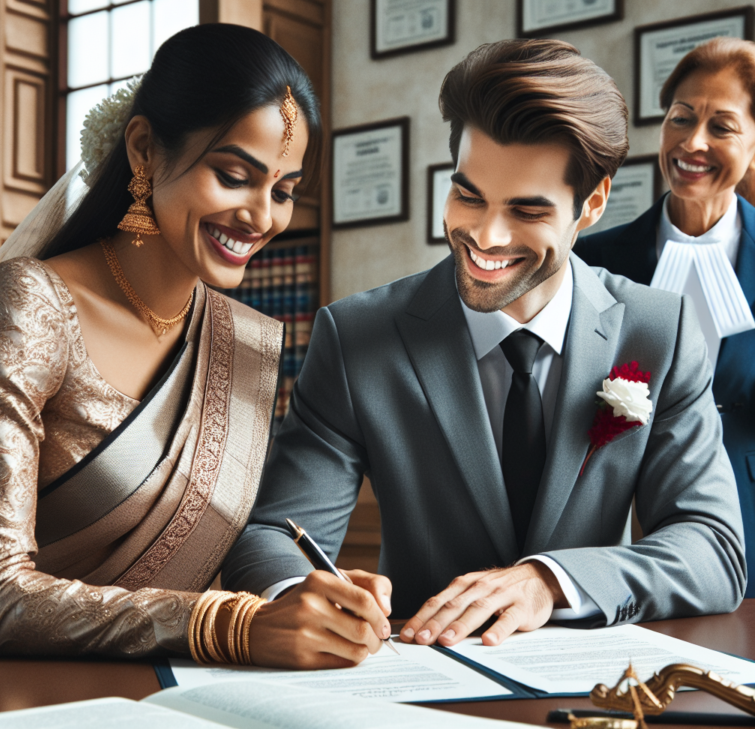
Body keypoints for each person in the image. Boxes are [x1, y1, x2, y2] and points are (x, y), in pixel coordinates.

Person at [222, 39, 746, 651]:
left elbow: (712, 548)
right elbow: (273, 534)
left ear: (593, 203)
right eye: (468, 195)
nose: (486, 236)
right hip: (419, 675)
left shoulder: (659, 330)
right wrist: (296, 596)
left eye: (527, 209)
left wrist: (547, 582)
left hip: (595, 686)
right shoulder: (355, 337)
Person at [0, 23, 391, 669]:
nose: (262, 217)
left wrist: (314, 598)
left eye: (283, 192)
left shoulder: (243, 342)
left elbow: (221, 542)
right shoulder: (31, 306)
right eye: (235, 176)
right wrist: (226, 624)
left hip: (181, 696)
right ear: (144, 149)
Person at [575, 37, 755, 597]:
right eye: (681, 118)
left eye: (721, 127)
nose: (693, 142)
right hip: (618, 546)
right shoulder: (594, 261)